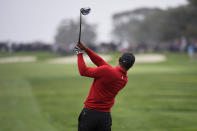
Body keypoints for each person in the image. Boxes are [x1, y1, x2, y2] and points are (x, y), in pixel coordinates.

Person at [74, 42, 135, 131]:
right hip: (105, 117)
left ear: (119, 59)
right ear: (130, 66)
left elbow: (83, 71)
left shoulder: (107, 71)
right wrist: (85, 49)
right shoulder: (124, 79)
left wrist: (79, 53)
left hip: (90, 114)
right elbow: (101, 62)